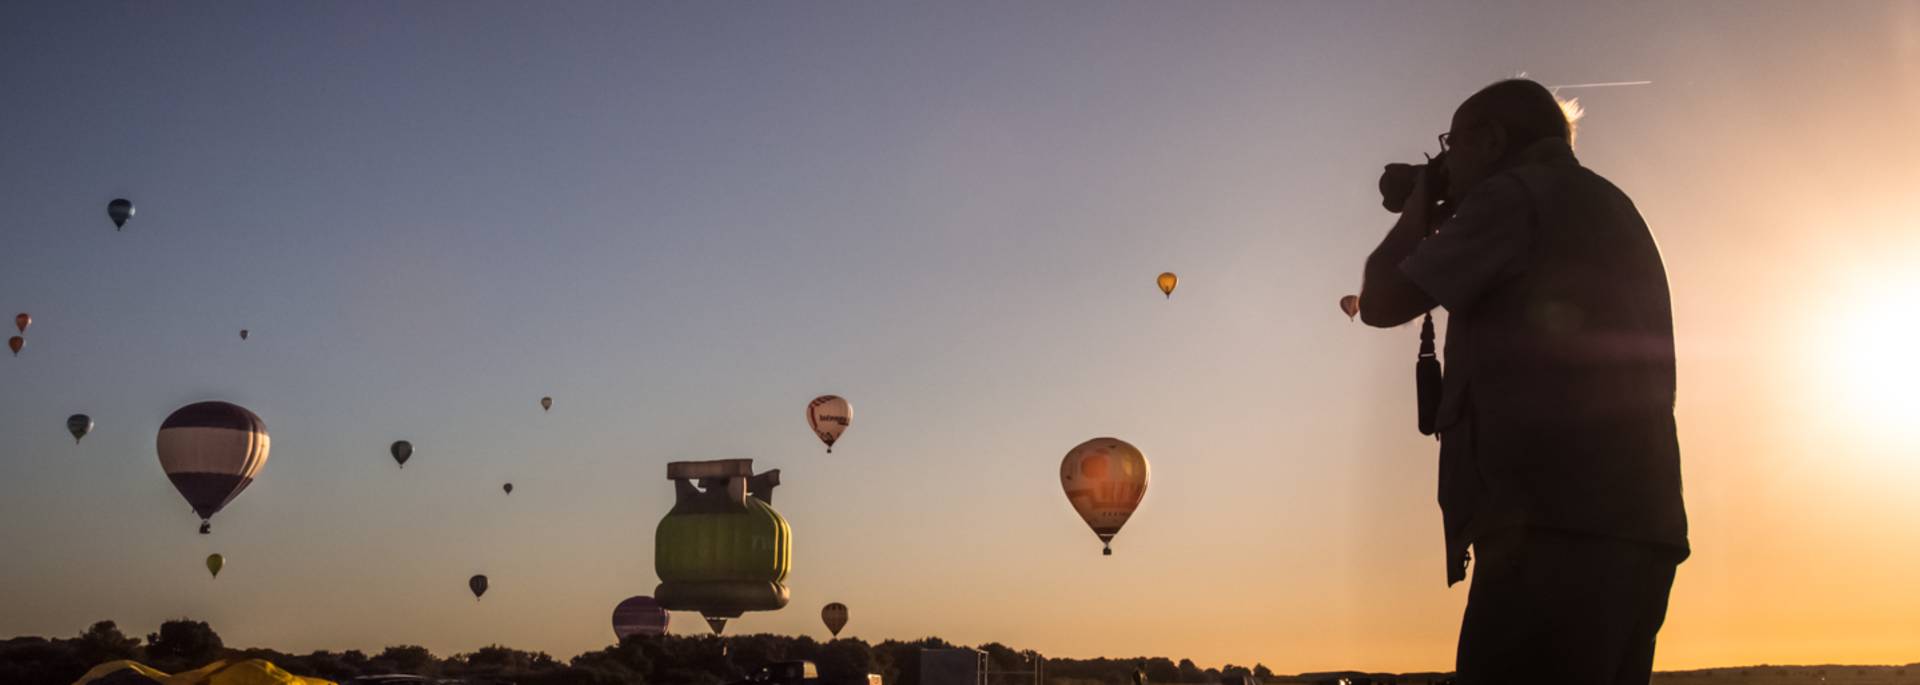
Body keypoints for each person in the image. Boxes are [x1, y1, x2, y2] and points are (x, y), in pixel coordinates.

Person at [1358, 79, 1689, 683]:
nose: (1446, 163)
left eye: (1451, 146)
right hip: (1638, 529)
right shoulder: (1610, 203)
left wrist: (1418, 210)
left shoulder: (1513, 197)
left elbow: (1380, 299)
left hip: (1546, 531)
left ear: (1488, 139)